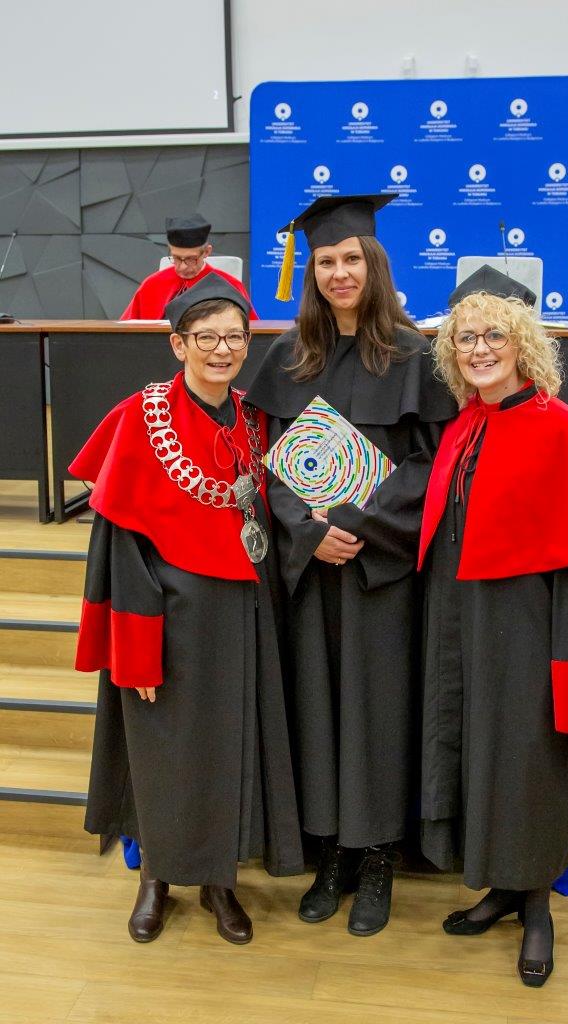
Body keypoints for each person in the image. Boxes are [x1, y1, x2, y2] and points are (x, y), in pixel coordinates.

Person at [418, 265, 568, 986]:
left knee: (530, 761)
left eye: (494, 335)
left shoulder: (562, 431)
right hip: (468, 623)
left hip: (532, 628)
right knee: (484, 757)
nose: (479, 349)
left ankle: (538, 907)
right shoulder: (465, 426)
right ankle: (504, 888)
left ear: (524, 345)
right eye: (465, 338)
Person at [70, 273, 302, 945]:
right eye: (207, 338)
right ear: (178, 344)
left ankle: (218, 881)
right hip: (167, 619)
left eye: (235, 337)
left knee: (230, 747)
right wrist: (137, 649)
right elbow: (121, 548)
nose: (223, 350)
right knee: (163, 753)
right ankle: (155, 879)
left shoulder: (256, 419)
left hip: (241, 615)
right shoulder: (139, 418)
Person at [247, 194, 457, 937]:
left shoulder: (413, 354)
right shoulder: (288, 357)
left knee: (376, 709)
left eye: (351, 259)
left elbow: (432, 464)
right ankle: (330, 852)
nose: (339, 272)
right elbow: (267, 464)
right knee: (317, 704)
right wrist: (308, 531)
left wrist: (358, 525)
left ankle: (377, 858)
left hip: (381, 571)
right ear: (311, 272)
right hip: (311, 570)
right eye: (326, 261)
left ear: (375, 265)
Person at [120, 214, 258, 321]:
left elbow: (252, 330)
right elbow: (126, 329)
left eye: (191, 259)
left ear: (207, 252)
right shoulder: (152, 284)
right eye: (176, 258)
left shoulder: (229, 286)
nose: (182, 267)